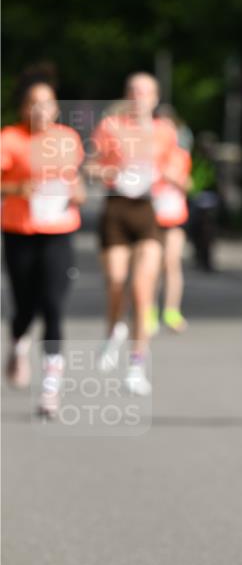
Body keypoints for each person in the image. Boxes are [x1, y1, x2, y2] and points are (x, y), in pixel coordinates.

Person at [1, 65, 86, 417]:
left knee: (52, 304)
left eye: (47, 103)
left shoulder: (68, 139)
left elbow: (76, 182)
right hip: (20, 230)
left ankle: (51, 387)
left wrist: (78, 192)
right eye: (33, 103)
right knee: (25, 306)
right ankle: (18, 344)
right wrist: (16, 188)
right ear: (24, 107)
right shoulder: (10, 139)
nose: (40, 110)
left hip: (59, 230)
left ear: (56, 108)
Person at [88, 73, 180, 394]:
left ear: (155, 98)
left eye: (145, 92)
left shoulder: (165, 131)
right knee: (116, 282)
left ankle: (137, 364)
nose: (139, 97)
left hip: (147, 210)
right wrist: (109, 170)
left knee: (142, 290)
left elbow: (178, 170)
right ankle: (113, 330)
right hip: (116, 209)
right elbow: (91, 166)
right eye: (133, 91)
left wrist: (169, 175)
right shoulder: (111, 127)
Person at [150, 142, 192, 333]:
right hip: (151, 217)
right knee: (152, 266)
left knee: (171, 263)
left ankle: (172, 311)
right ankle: (148, 312)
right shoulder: (147, 152)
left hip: (174, 217)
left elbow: (189, 184)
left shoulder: (180, 155)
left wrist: (174, 178)